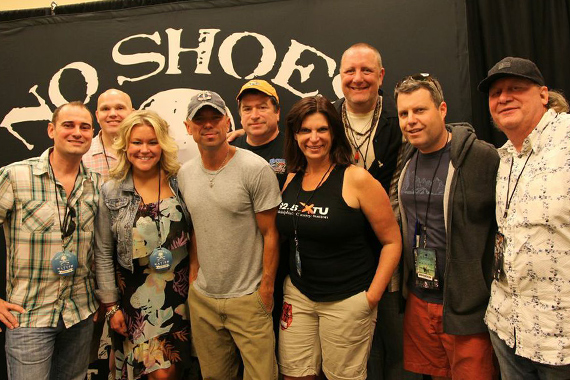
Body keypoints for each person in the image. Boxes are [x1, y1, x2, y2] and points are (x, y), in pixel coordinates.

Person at [276, 95, 401, 380]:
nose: (314, 138)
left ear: (334, 133)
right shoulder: (290, 175)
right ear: (295, 136)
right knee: (295, 375)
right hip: (299, 295)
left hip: (347, 300)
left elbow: (392, 242)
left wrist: (370, 298)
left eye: (322, 129)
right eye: (305, 130)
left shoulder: (357, 179)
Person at [395, 74, 499, 380]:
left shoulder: (480, 156)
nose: (411, 121)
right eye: (404, 113)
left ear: (442, 110)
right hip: (419, 296)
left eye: (420, 110)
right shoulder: (408, 154)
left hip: (463, 304)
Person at [478, 57, 570, 379]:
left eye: (516, 88)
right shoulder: (506, 156)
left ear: (543, 94)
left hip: (560, 343)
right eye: (496, 92)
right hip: (507, 329)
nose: (503, 98)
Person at [179, 91, 281, 380]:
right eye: (200, 120)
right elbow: (197, 227)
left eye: (215, 119)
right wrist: (194, 275)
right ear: (189, 128)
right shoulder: (185, 174)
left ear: (227, 122)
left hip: (249, 298)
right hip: (204, 299)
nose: (208, 126)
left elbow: (271, 233)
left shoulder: (255, 169)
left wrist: (265, 290)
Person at [0, 101, 99, 380]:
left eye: (85, 127)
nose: (77, 132)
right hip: (29, 315)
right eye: (68, 125)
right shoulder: (16, 176)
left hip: (79, 314)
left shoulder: (97, 184)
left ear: (92, 134)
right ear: (51, 130)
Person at [335, 42, 414, 380]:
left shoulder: (400, 123)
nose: (358, 78)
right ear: (340, 77)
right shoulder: (325, 120)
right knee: (350, 353)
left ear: (381, 75)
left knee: (395, 348)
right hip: (340, 257)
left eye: (366, 70)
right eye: (350, 71)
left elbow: (400, 194)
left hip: (389, 250)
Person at [95, 110, 192, 380]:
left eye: (152, 142)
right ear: (125, 146)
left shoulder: (181, 181)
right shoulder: (111, 191)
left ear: (163, 144)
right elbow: (103, 253)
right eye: (137, 142)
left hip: (182, 295)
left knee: (171, 372)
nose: (145, 149)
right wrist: (111, 306)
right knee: (158, 373)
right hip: (136, 299)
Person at [232, 79, 287, 188]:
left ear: (277, 113)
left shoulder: (295, 148)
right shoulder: (229, 150)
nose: (254, 116)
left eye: (262, 108)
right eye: (247, 109)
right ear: (240, 116)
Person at [83, 88, 134, 181]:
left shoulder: (146, 152)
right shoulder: (82, 155)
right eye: (105, 109)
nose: (112, 114)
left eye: (120, 108)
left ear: (132, 113)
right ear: (97, 116)